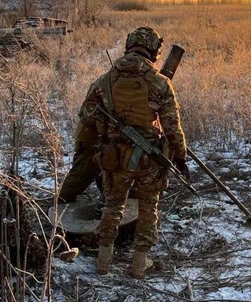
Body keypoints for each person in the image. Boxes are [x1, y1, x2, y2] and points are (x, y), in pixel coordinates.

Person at [78, 26, 189, 278]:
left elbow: (85, 115)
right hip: (149, 160)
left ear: (129, 46)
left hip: (114, 156)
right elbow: (172, 128)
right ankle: (140, 264)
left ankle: (103, 261)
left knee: (112, 204)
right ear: (153, 50)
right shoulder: (160, 83)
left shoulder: (104, 81)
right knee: (149, 205)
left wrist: (108, 125)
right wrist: (180, 157)